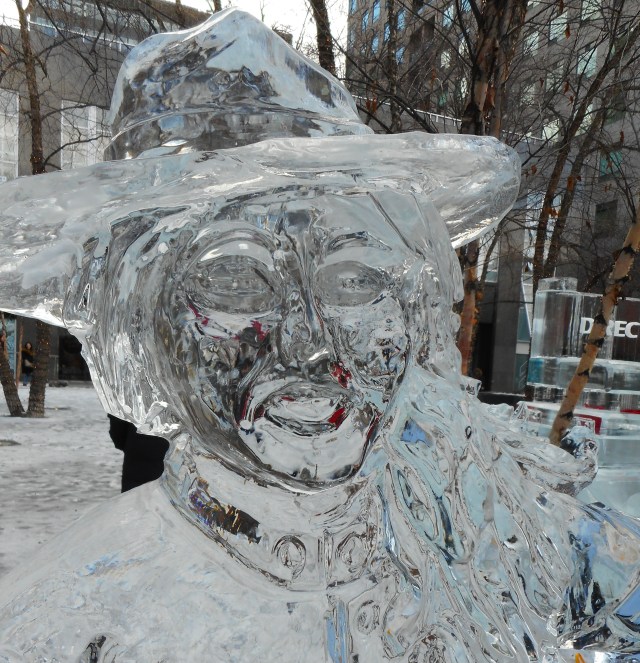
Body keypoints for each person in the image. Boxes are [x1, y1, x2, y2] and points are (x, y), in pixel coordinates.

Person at [0, 10, 638, 662]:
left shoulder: (495, 542)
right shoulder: (74, 624)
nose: (310, 342)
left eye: (354, 280)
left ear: (413, 309)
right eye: (237, 281)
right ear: (142, 320)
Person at [108, 414, 169, 491]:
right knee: (167, 493)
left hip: (136, 459)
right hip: (167, 458)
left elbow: (117, 429)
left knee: (133, 495)